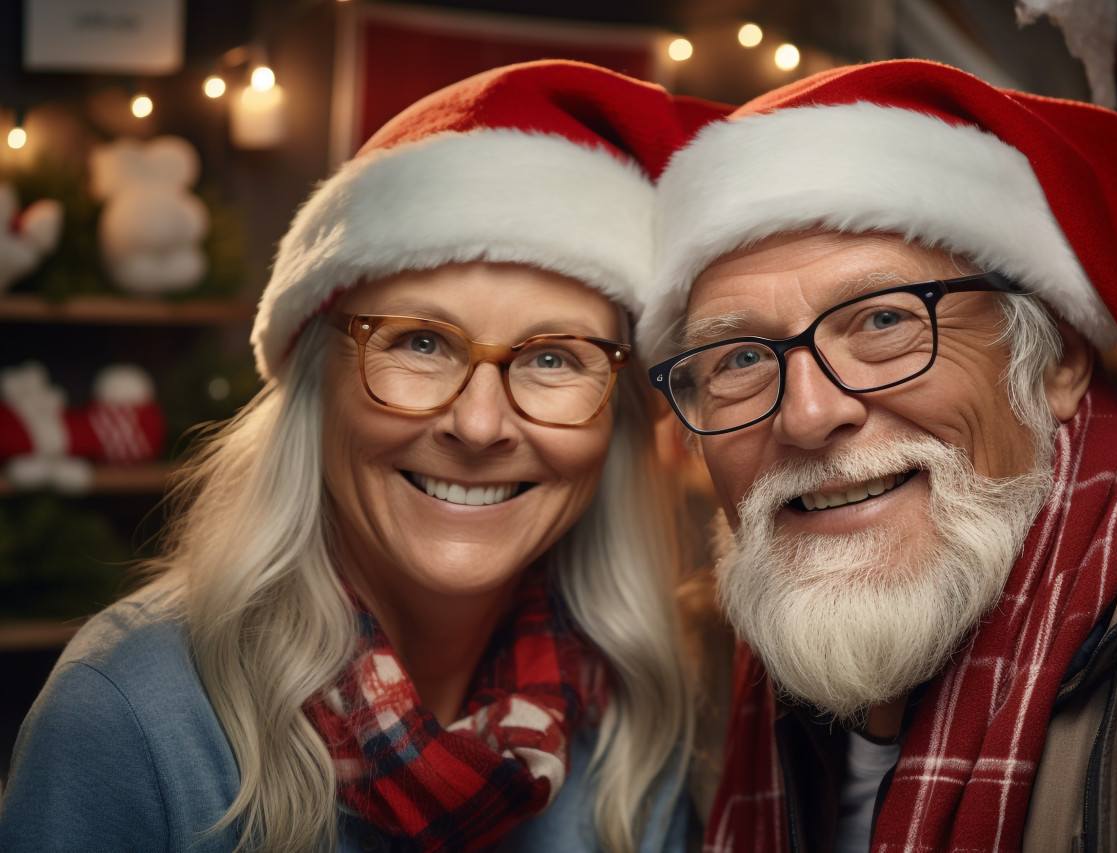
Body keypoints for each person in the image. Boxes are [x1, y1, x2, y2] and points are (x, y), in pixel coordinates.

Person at [0, 60, 728, 852]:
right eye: (419, 342)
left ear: (618, 423)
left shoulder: (637, 728)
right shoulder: (130, 716)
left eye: (554, 358)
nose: (479, 424)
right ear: (318, 385)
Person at [636, 59, 1117, 852]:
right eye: (738, 359)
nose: (807, 413)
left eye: (881, 321)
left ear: (1057, 364)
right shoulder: (687, 698)